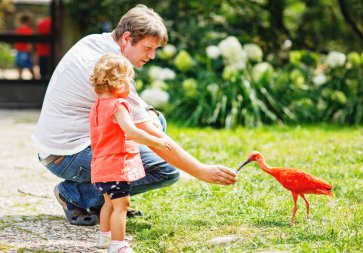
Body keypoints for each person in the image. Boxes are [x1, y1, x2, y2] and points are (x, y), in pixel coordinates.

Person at [32, 4, 237, 227]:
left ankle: (107, 198)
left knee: (156, 119)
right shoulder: (106, 67)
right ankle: (75, 194)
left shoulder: (99, 45)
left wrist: (149, 116)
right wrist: (201, 170)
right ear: (127, 38)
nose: (152, 56)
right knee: (165, 170)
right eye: (147, 48)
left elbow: (144, 118)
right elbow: (148, 134)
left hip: (59, 148)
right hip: (68, 156)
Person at [90, 53, 172, 252]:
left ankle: (104, 237)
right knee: (122, 206)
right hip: (116, 165)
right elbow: (133, 132)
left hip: (101, 166)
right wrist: (158, 141)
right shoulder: (118, 106)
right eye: (130, 80)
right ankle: (118, 245)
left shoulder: (98, 106)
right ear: (118, 82)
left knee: (108, 203)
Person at [15, 14, 35, 79]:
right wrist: (31, 52)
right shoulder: (28, 30)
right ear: (28, 21)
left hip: (19, 51)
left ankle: (20, 80)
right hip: (26, 51)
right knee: (30, 66)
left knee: (20, 67)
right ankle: (35, 79)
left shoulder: (18, 30)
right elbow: (29, 43)